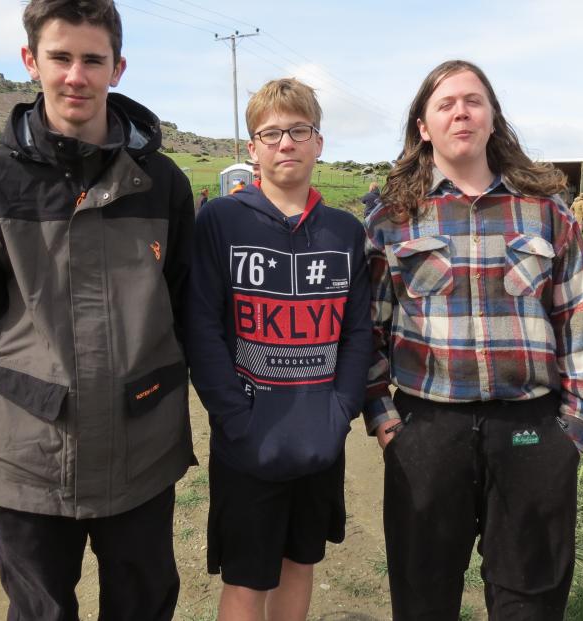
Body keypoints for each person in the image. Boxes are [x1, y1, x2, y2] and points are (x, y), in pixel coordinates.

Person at [0, 1, 195, 619]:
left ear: (118, 68)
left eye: (92, 59)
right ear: (31, 61)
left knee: (142, 604)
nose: (75, 76)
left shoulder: (163, 182)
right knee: (40, 611)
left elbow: (183, 302)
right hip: (25, 453)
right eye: (60, 57)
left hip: (142, 448)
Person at [364, 60, 583, 620]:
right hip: (426, 432)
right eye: (445, 103)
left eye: (473, 100)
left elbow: (578, 322)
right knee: (422, 595)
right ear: (423, 127)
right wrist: (384, 419)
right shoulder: (392, 220)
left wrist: (572, 432)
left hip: (530, 429)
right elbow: (369, 332)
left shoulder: (547, 215)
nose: (461, 112)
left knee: (531, 597)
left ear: (493, 116)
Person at [186, 78, 372, 621]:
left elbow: (358, 330)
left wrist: (340, 411)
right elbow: (202, 325)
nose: (285, 143)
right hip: (248, 437)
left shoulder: (344, 230)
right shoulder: (219, 220)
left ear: (319, 142)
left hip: (319, 434)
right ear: (252, 148)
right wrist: (234, 418)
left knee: (299, 562)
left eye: (298, 130)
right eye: (271, 133)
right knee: (246, 578)